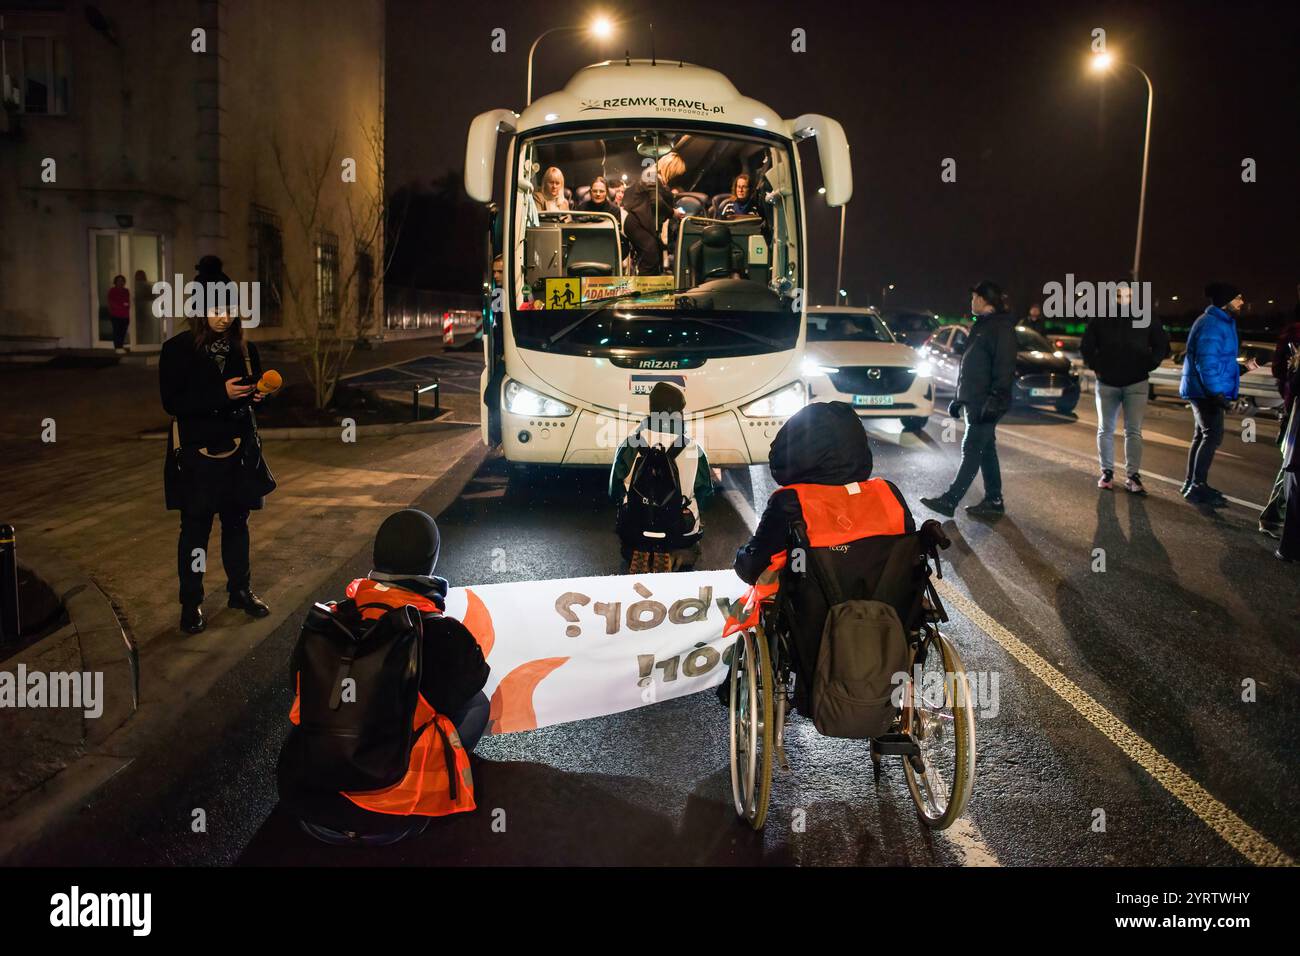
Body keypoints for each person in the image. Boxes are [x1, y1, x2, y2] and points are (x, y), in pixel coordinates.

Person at [277, 508, 491, 844]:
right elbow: (471, 682)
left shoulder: (328, 620)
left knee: (315, 705)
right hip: (391, 817)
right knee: (478, 703)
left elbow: (297, 684)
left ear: (376, 555)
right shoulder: (439, 632)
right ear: (431, 561)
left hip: (307, 800)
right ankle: (422, 792)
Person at [159, 255, 277, 634]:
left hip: (238, 452)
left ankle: (240, 591)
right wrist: (219, 394)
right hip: (198, 456)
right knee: (195, 532)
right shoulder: (177, 349)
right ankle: (191, 603)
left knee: (237, 525)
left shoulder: (245, 350)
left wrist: (258, 396)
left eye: (229, 309)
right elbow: (172, 402)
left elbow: (252, 398)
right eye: (215, 310)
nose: (224, 317)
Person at [920, 281, 1018, 518]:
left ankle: (950, 500)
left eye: (974, 297)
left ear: (984, 300)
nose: (971, 301)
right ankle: (994, 500)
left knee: (972, 447)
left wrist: (995, 400)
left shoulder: (1000, 328)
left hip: (986, 401)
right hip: (975, 400)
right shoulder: (983, 325)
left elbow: (1004, 368)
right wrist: (959, 398)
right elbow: (971, 367)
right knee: (986, 450)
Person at [610, 382, 712, 570]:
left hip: (635, 526)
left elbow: (614, 488)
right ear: (676, 413)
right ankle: (674, 554)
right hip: (679, 529)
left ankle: (639, 549)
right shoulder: (694, 449)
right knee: (690, 537)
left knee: (630, 537)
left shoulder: (630, 443)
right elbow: (705, 492)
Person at [1180, 282, 1257, 506]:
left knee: (1202, 436)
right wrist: (1217, 394)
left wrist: (1244, 368)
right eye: (1238, 298)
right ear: (1226, 301)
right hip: (1205, 391)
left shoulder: (1221, 322)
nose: (1242, 302)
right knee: (1212, 436)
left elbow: (1220, 362)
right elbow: (1206, 363)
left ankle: (1191, 483)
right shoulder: (1212, 324)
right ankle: (1197, 487)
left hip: (1203, 389)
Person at [1081, 310, 1171, 493]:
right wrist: (1097, 367)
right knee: (1116, 430)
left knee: (1123, 430)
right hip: (1116, 382)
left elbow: (1162, 345)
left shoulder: (1142, 316)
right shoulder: (1105, 317)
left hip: (1127, 381)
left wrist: (1149, 364)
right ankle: (1117, 475)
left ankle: (1122, 476)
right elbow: (1086, 347)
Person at [1258, 285, 1300, 538]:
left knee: (1292, 466)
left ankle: (1273, 518)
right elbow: (1282, 371)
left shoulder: (1291, 332)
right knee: (1292, 466)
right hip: (1295, 406)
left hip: (1291, 402)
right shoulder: (1294, 334)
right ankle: (1272, 518)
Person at [621, 152, 686, 275]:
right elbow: (656, 202)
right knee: (651, 258)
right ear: (670, 168)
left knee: (654, 259)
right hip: (638, 223)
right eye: (674, 173)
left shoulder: (656, 178)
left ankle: (647, 285)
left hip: (644, 224)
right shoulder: (651, 174)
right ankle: (643, 287)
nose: (674, 176)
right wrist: (673, 212)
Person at [107, 274, 130, 353]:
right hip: (115, 315)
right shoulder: (112, 291)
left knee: (123, 331)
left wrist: (124, 305)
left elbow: (128, 302)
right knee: (117, 332)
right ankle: (118, 347)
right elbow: (112, 303)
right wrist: (122, 305)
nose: (120, 282)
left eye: (122, 281)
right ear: (115, 282)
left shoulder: (126, 291)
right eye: (119, 281)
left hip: (125, 316)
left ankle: (121, 346)